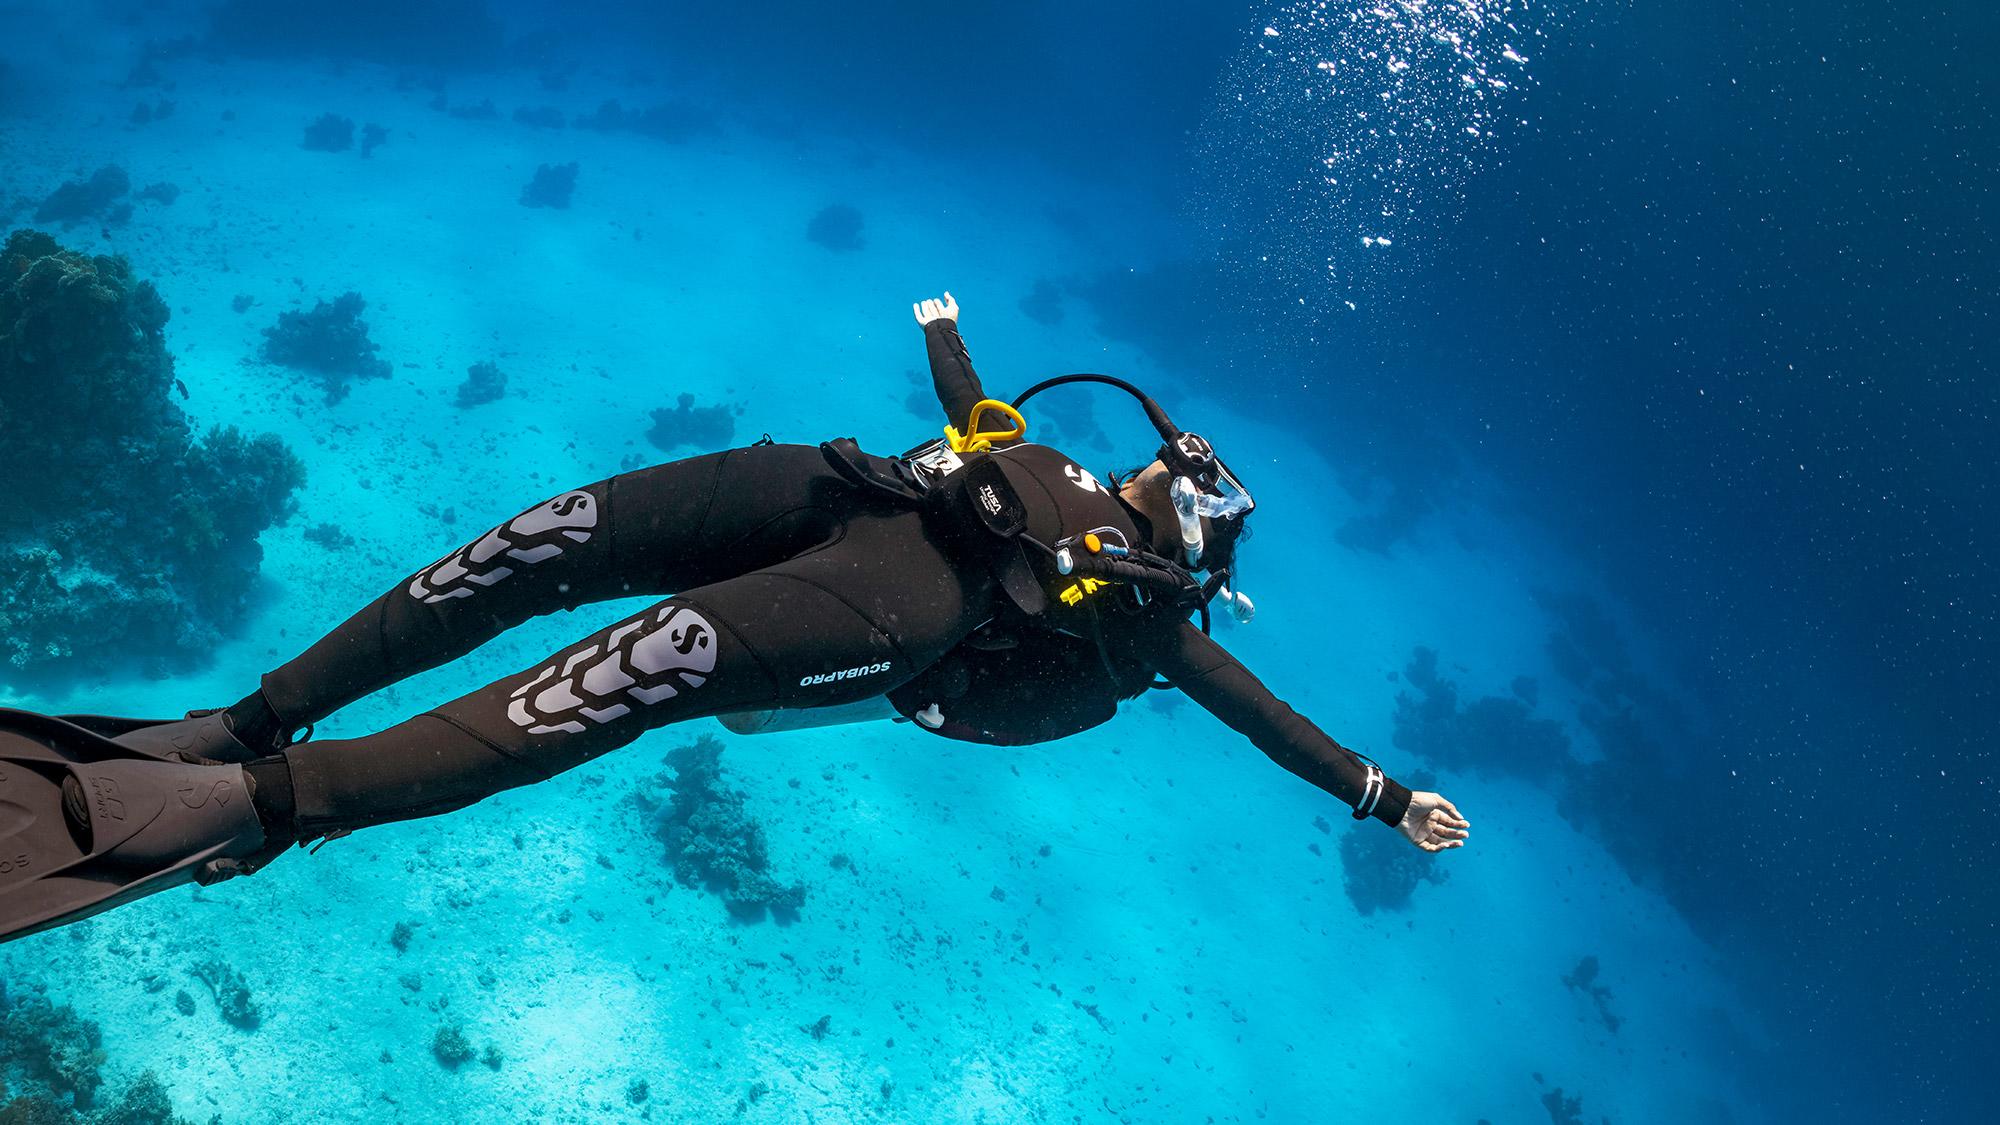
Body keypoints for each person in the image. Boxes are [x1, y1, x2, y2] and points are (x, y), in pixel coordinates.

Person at [0, 292, 1468, 943]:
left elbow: (1252, 709)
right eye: (1192, 450)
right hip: (842, 491)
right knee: (544, 537)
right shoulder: (1070, 462)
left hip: (900, 601)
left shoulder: (1149, 609)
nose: (1186, 457)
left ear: (1200, 527)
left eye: (1206, 478)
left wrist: (1381, 794)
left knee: (621, 670)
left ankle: (250, 802)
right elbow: (984, 426)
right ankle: (253, 715)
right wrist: (946, 334)